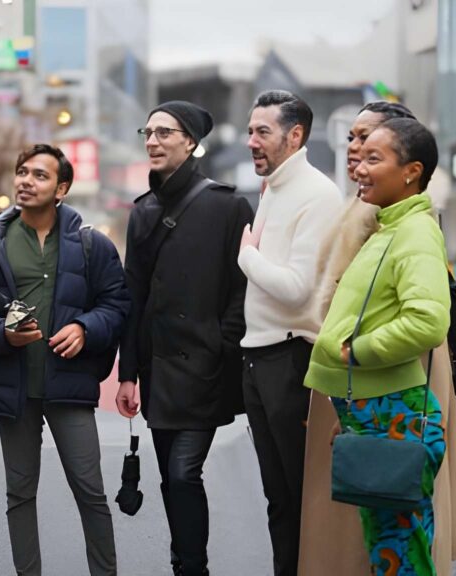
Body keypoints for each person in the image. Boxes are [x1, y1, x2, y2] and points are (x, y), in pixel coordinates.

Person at [298, 102, 456, 576]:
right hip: (376, 409)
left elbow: (428, 320)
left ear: (411, 172)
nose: (361, 167)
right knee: (389, 549)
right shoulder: (390, 224)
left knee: (401, 552)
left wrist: (359, 352)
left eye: (375, 159)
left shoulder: (413, 231)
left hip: (394, 413)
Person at [0, 144, 128, 576]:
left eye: (39, 175)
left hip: (68, 384)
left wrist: (85, 328)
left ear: (62, 188)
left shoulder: (92, 245)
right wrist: (1, 334)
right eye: (22, 172)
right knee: (19, 493)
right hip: (12, 389)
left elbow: (117, 305)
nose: (25, 181)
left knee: (90, 490)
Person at [115, 101, 254, 576]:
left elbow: (242, 285)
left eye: (165, 133)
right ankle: (184, 562)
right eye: (148, 132)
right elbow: (131, 296)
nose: (152, 141)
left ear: (191, 142)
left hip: (205, 367)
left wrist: (224, 342)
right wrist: (127, 373)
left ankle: (193, 568)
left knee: (183, 472)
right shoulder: (143, 211)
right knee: (169, 478)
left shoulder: (227, 205)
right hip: (157, 371)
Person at [237, 90, 341, 576]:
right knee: (279, 497)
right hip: (260, 361)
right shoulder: (275, 187)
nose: (250, 141)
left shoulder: (317, 195)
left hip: (290, 362)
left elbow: (298, 291)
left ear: (295, 135)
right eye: (250, 130)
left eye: (263, 131)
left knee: (300, 498)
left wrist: (248, 257)